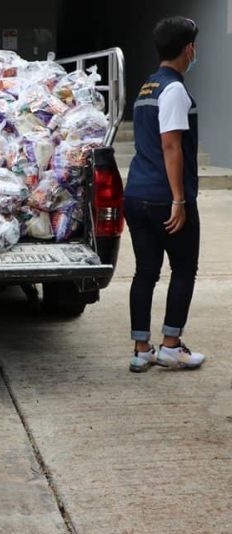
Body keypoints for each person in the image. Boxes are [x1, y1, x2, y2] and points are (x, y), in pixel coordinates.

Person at [125, 17, 206, 373]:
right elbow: (171, 146)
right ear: (188, 49)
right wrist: (179, 200)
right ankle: (171, 345)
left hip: (137, 194)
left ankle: (142, 349)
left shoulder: (147, 87)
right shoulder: (174, 90)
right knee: (184, 268)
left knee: (145, 272)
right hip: (164, 198)